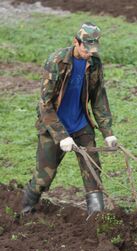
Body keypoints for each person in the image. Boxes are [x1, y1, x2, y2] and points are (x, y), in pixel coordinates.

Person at [21, 23, 117, 215]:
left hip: (81, 125)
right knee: (44, 177)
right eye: (86, 48)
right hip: (54, 127)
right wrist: (61, 135)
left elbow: (98, 97)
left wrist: (108, 133)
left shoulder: (94, 63)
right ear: (76, 42)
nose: (90, 53)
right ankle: (25, 210)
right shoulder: (56, 62)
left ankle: (96, 217)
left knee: (93, 173)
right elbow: (45, 104)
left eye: (93, 49)